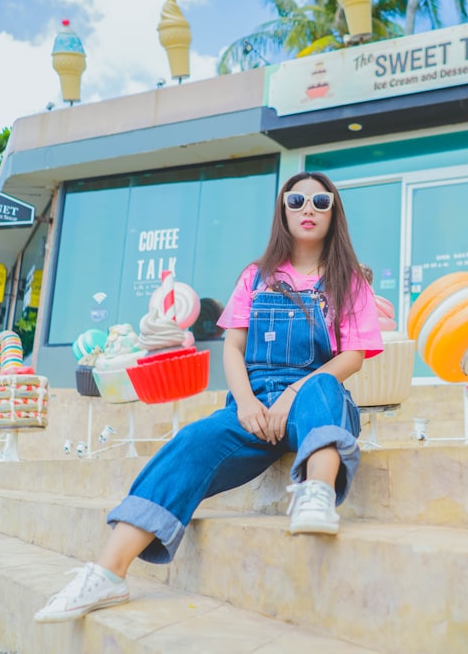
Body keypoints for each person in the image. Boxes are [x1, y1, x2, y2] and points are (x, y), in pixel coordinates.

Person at [35, 171, 383, 623]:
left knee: (324, 385)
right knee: (190, 442)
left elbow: (352, 356)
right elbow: (234, 350)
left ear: (335, 212)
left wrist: (293, 392)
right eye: (296, 200)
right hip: (253, 403)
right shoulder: (255, 277)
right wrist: (247, 403)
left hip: (313, 400)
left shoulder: (348, 280)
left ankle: (315, 494)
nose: (308, 210)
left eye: (321, 202)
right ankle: (107, 574)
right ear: (282, 211)